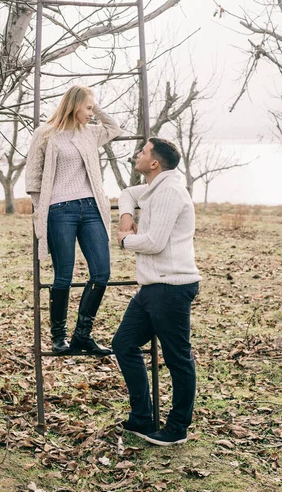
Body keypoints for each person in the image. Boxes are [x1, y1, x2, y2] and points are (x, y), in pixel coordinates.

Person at [112, 137, 201, 446]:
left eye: (144, 151)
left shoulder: (170, 192)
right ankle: (142, 418)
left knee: (178, 359)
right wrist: (126, 216)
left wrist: (124, 240)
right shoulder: (153, 188)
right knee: (123, 344)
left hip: (172, 286)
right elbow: (126, 193)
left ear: (154, 163)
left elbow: (153, 242)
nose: (138, 153)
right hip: (152, 286)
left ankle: (177, 428)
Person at [25, 85, 122, 356]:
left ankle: (83, 335)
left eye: (93, 109)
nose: (92, 114)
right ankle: (59, 337)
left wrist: (94, 105)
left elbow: (114, 127)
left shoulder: (90, 133)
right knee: (63, 276)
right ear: (74, 105)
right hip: (59, 210)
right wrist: (40, 209)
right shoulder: (45, 134)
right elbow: (33, 177)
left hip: (92, 208)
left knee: (102, 273)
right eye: (88, 108)